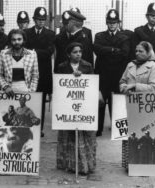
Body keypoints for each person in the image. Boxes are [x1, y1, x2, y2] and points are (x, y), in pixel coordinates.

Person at [56, 42, 96, 175]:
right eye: (75, 52)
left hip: (83, 106)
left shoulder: (87, 66)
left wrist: (82, 77)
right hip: (67, 106)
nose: (78, 54)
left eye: (80, 51)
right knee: (68, 135)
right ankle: (68, 163)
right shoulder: (62, 67)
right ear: (68, 54)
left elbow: (91, 85)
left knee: (83, 135)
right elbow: (58, 85)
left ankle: (85, 164)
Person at [94, 9, 130, 136]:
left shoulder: (124, 37)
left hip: (117, 76)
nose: (112, 25)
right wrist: (114, 50)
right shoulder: (99, 36)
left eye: (114, 22)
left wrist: (107, 51)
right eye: (109, 22)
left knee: (117, 103)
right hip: (103, 75)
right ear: (106, 23)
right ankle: (98, 129)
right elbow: (97, 50)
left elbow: (125, 54)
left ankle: (118, 130)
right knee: (100, 103)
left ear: (118, 23)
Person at [24, 7, 55, 137]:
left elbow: (49, 52)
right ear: (34, 19)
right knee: (28, 99)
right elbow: (24, 49)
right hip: (28, 71)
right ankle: (26, 126)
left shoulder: (50, 34)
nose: (41, 22)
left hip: (43, 72)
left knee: (41, 100)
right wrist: (37, 52)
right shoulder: (27, 32)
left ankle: (39, 128)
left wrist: (33, 51)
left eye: (43, 19)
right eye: (39, 19)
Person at [0, 29, 39, 94]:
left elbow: (35, 76)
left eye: (19, 39)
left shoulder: (32, 54)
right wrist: (5, 87)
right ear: (10, 41)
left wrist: (31, 92)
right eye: (14, 40)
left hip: (26, 92)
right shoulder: (3, 54)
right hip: (8, 92)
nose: (17, 42)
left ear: (23, 40)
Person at [54, 8, 93, 72]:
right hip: (62, 75)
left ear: (73, 23)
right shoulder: (63, 36)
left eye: (67, 23)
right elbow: (59, 57)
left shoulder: (84, 39)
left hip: (79, 75)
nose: (65, 26)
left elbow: (86, 61)